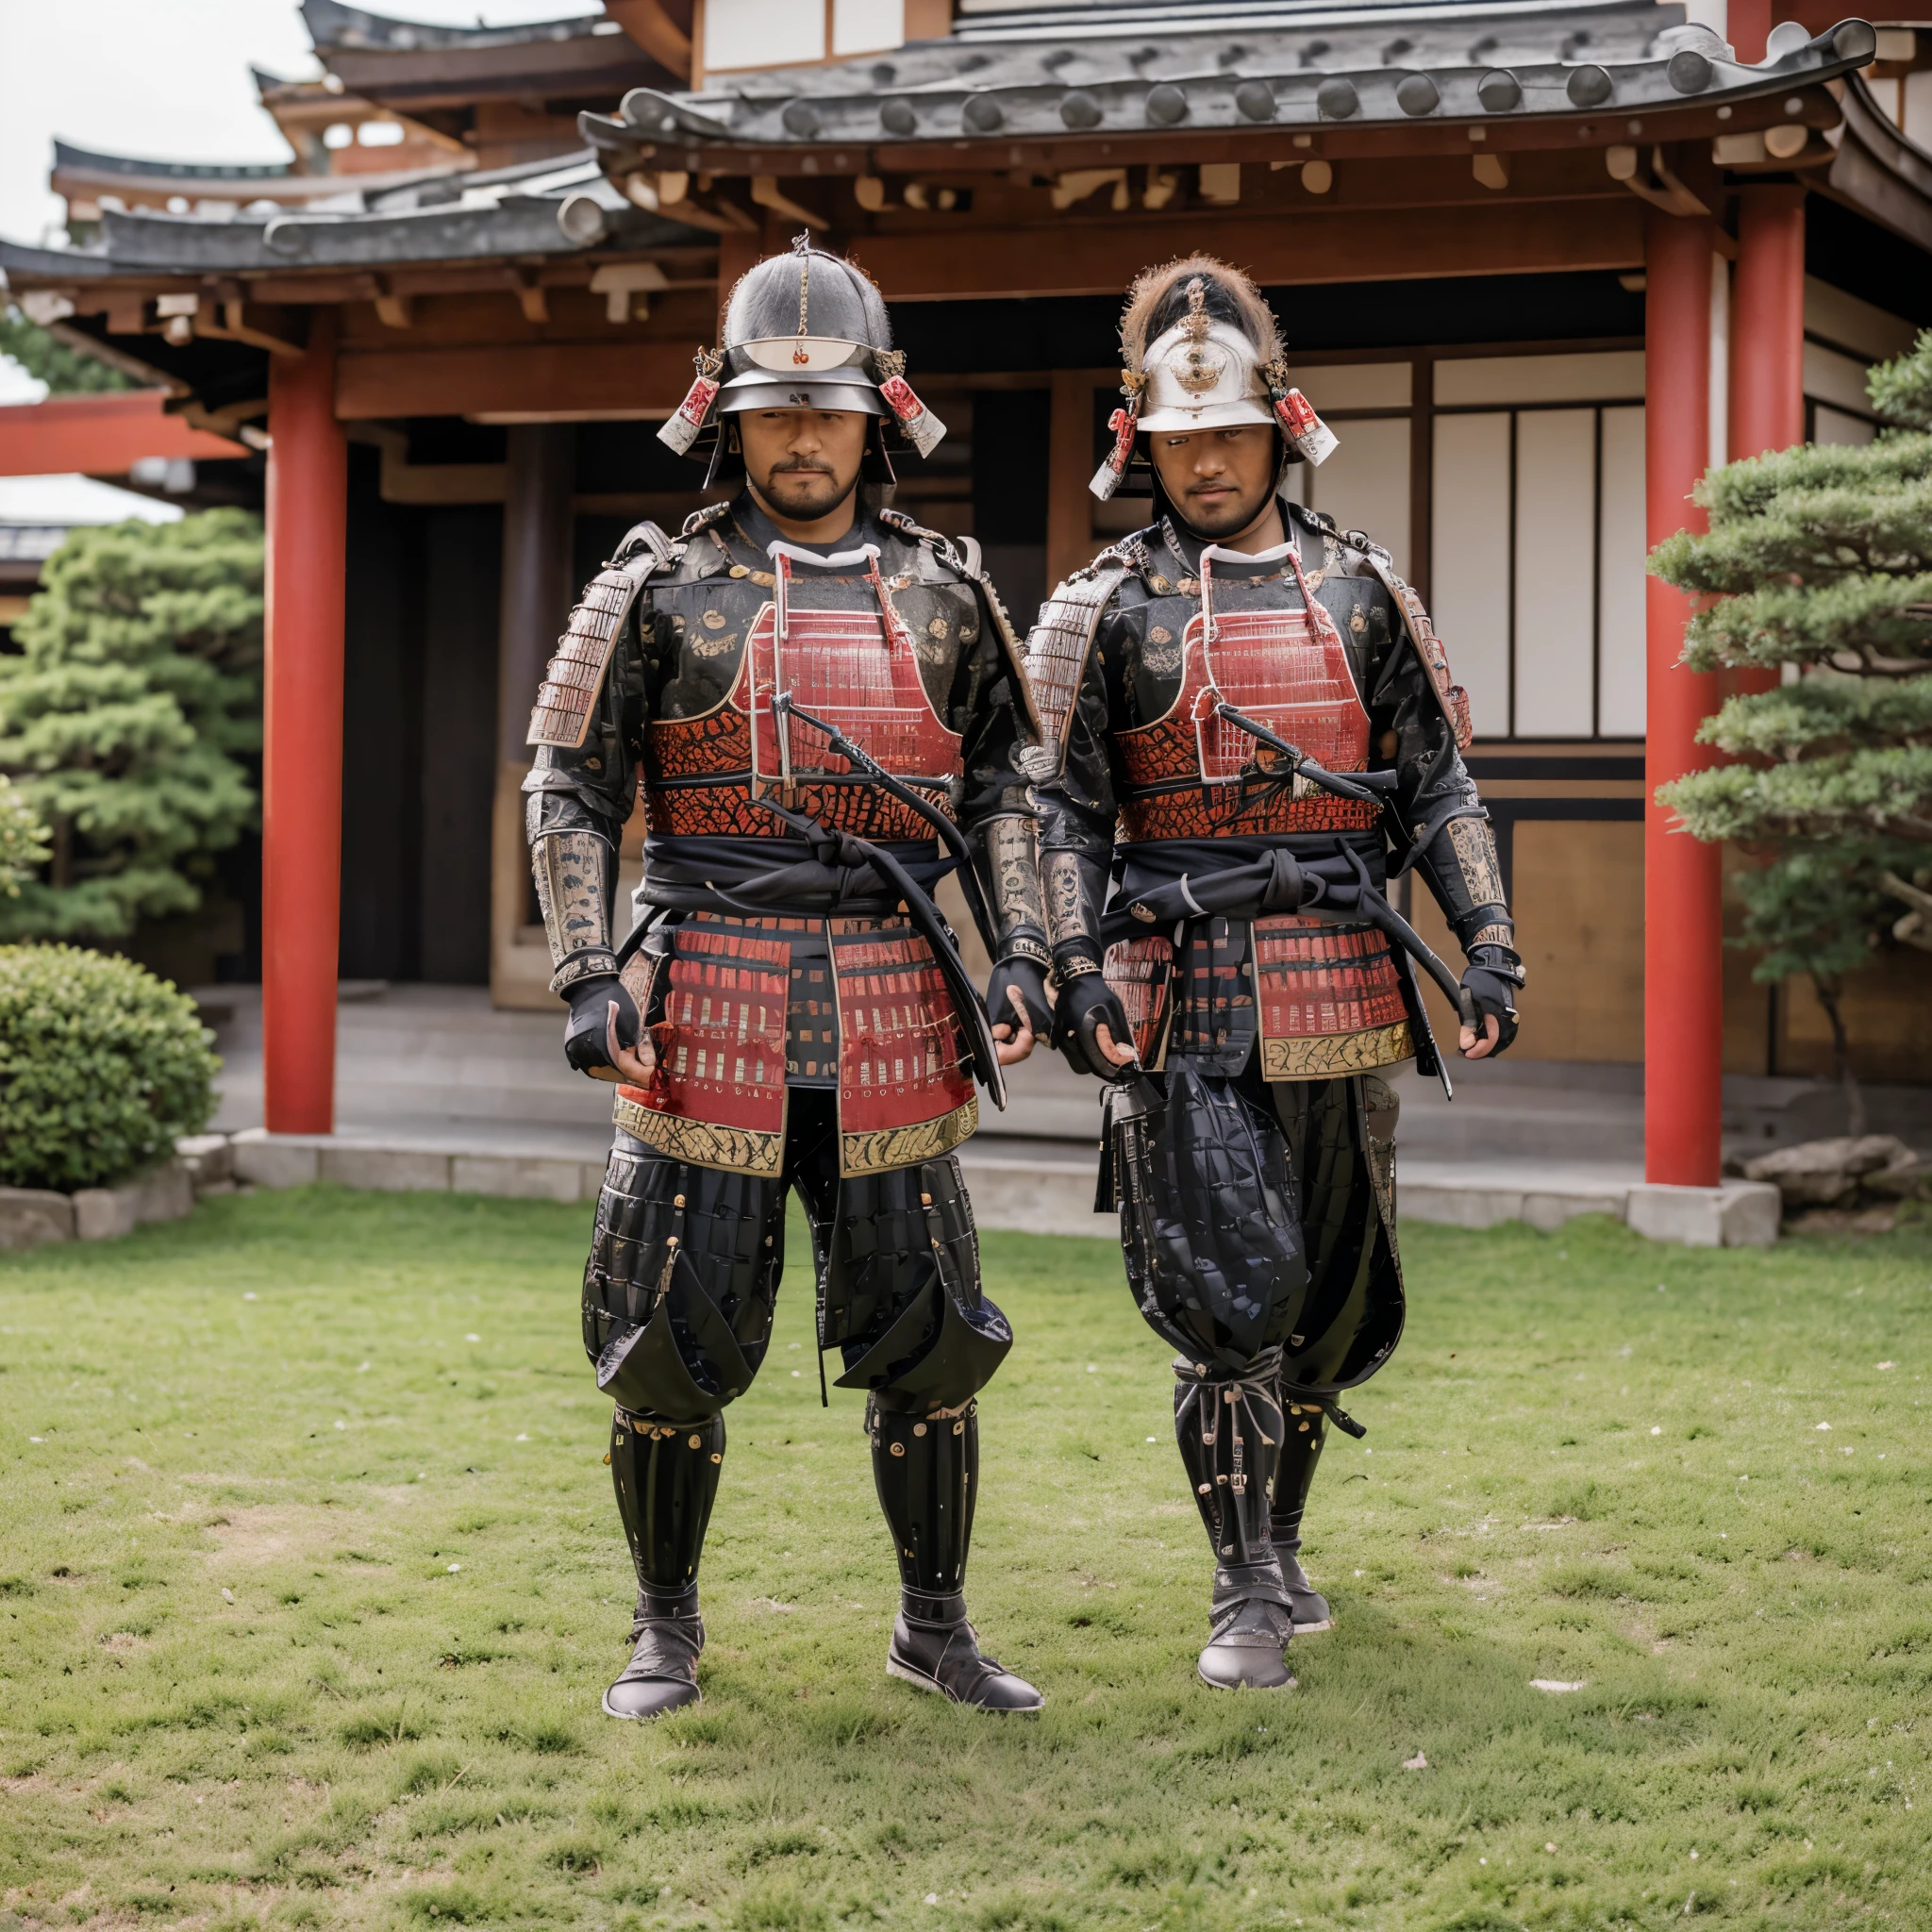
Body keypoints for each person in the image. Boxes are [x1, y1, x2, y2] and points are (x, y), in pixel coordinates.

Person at [525, 238, 1053, 1718]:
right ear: (728, 413)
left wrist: (1024, 947)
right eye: (776, 409)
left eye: (828, 409)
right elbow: (567, 785)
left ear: (880, 413)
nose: (804, 436)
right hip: (703, 988)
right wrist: (586, 972)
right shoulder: (660, 587)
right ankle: (664, 1626)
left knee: (931, 1333)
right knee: (666, 1341)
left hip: (894, 996)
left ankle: (934, 1628)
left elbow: (1016, 783)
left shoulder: (949, 592)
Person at [1024, 255, 1524, 1691]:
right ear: (1143, 443)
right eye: (1181, 445)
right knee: (1227, 1292)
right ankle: (1239, 1583)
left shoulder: (1365, 590)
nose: (1208, 464)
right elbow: (1056, 806)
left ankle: (1284, 1541)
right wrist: (1072, 960)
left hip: (1351, 982)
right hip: (1181, 983)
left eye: (1230, 436)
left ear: (1281, 426)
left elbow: (1437, 787)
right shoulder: (1097, 610)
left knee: (1328, 1297)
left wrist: (1486, 940)